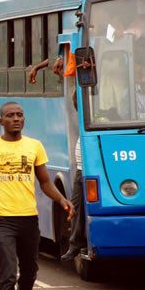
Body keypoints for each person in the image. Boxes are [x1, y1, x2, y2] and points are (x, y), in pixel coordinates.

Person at [0, 102, 74, 290]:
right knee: (8, 273)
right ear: (1, 121)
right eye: (10, 115)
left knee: (29, 273)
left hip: (29, 219)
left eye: (19, 115)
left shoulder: (35, 146)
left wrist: (61, 199)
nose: (16, 119)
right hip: (2, 220)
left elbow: (45, 182)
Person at [62, 92, 86, 261]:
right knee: (75, 207)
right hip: (80, 169)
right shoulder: (83, 117)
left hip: (90, 169)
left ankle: (78, 243)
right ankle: (75, 245)